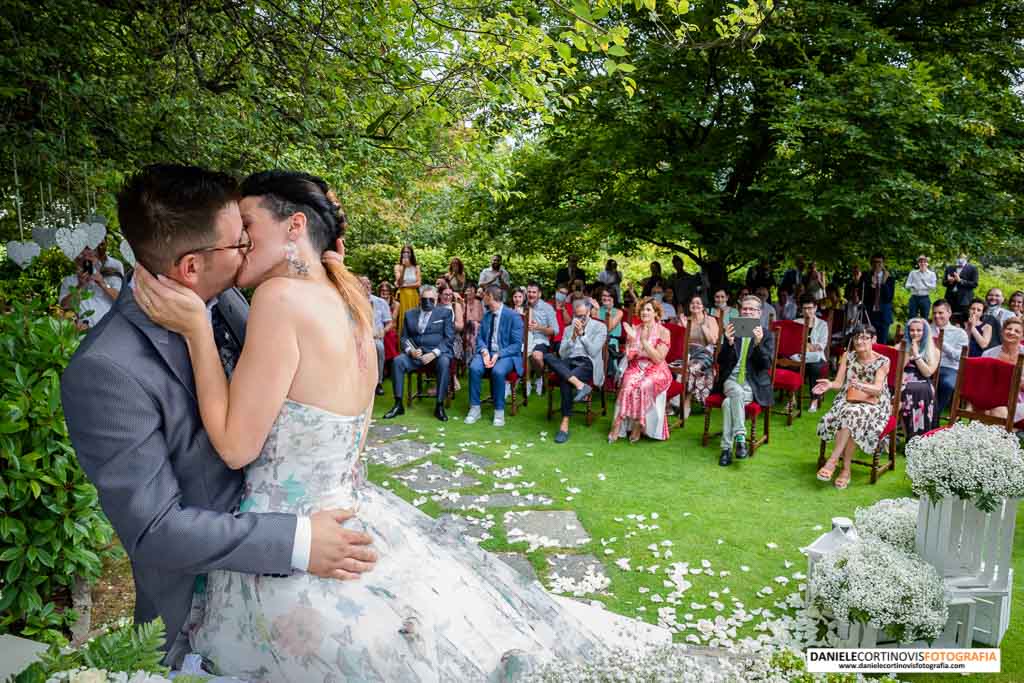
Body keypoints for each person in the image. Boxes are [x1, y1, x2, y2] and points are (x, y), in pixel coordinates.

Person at [129, 169, 609, 679]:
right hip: (354, 513)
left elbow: (234, 447)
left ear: (295, 226)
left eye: (248, 224)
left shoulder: (280, 299)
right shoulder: (350, 300)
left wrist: (198, 331)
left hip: (296, 536)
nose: (241, 241)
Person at [62, 165, 378, 669]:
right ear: (191, 266)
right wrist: (299, 541)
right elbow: (156, 531)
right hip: (207, 609)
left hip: (313, 553)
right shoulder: (107, 370)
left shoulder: (235, 298)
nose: (248, 249)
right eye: (240, 242)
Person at [813, 323, 891, 489]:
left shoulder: (883, 361)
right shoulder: (848, 356)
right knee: (850, 414)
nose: (859, 341)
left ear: (873, 339)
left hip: (874, 403)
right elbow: (839, 383)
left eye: (864, 337)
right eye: (856, 337)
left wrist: (860, 385)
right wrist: (829, 384)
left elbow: (878, 390)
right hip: (848, 399)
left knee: (851, 414)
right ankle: (845, 469)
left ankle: (833, 461)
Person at [712, 295, 775, 466]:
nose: (747, 311)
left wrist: (758, 343)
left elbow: (765, 364)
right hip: (731, 380)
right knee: (735, 391)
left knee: (728, 404)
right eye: (744, 308)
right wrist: (730, 343)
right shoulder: (733, 330)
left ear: (759, 313)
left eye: (751, 309)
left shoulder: (767, 335)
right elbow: (721, 362)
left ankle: (726, 449)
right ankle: (740, 437)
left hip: (751, 384)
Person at [383, 284, 455, 422]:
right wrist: (410, 351)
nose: (428, 302)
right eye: (424, 299)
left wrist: (434, 353)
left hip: (436, 354)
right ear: (419, 299)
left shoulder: (445, 313)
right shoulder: (410, 314)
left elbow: (449, 338)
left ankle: (439, 406)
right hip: (416, 354)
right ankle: (398, 404)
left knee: (445, 362)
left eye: (431, 299)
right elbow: (404, 337)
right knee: (398, 361)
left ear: (436, 298)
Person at [605, 297, 673, 443]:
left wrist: (643, 342)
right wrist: (630, 347)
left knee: (644, 385)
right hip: (637, 366)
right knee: (627, 384)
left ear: (656, 313)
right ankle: (617, 425)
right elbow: (630, 356)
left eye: (648, 309)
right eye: (642, 309)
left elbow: (658, 359)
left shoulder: (664, 332)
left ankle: (638, 424)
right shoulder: (635, 329)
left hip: (657, 369)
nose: (644, 312)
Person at [544, 299, 607, 443]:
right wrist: (572, 337)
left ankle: (564, 424)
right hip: (569, 361)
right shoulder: (568, 328)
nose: (579, 319)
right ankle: (579, 385)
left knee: (565, 380)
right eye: (577, 316)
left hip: (587, 362)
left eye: (583, 316)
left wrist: (583, 335)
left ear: (589, 312)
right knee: (547, 356)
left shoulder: (600, 327)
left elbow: (593, 352)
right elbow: (562, 353)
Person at [465, 285, 524, 427]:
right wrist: (484, 351)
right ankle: (475, 408)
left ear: (490, 297)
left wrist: (498, 354)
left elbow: (516, 345)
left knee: (498, 371)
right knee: (474, 368)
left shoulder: (513, 316)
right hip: (487, 351)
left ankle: (499, 411)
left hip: (507, 354)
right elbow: (479, 338)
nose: (483, 298)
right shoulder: (487, 315)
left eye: (485, 295)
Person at [60, 242, 124, 328]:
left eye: (90, 255)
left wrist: (103, 284)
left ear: (97, 257)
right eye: (82, 256)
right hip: (83, 330)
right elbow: (65, 306)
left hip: (111, 328)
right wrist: (79, 286)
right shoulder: (69, 280)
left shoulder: (112, 274)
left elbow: (123, 300)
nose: (86, 259)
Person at [900, 318, 940, 438]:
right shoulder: (901, 347)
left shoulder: (934, 351)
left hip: (922, 380)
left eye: (919, 330)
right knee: (904, 389)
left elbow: (928, 373)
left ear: (925, 332)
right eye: (912, 330)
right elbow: (897, 368)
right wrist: (908, 351)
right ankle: (910, 435)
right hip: (902, 379)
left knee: (920, 390)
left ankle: (919, 437)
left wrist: (917, 355)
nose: (915, 333)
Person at [683, 294, 720, 421]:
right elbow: (681, 341)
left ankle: (686, 400)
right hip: (688, 352)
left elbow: (713, 341)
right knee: (685, 366)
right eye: (693, 303)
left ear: (703, 306)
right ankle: (681, 400)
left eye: (698, 303)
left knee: (693, 368)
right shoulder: (686, 320)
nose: (695, 305)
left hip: (705, 352)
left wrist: (704, 326)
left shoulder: (710, 320)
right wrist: (684, 327)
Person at [931, 299, 970, 415]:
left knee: (946, 384)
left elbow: (961, 357)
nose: (937, 316)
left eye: (940, 313)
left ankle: (934, 416)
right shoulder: (927, 329)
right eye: (934, 313)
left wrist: (943, 345)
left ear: (949, 313)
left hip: (949, 368)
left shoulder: (959, 333)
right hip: (928, 366)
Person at [982, 317, 1024, 424]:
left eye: (1017, 331)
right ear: (1002, 331)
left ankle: (1001, 436)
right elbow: (982, 381)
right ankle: (1006, 435)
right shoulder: (988, 354)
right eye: (1009, 329)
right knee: (991, 407)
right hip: (993, 397)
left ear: (1022, 336)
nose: (1011, 332)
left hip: (1020, 400)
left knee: (997, 409)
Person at [794, 296, 830, 413]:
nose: (807, 311)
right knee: (790, 364)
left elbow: (821, 346)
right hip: (799, 356)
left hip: (817, 357)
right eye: (804, 308)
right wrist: (808, 346)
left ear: (815, 308)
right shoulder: (796, 322)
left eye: (810, 308)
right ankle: (792, 398)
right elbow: (792, 343)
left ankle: (814, 399)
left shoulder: (822, 324)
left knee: (814, 368)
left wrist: (805, 346)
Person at [361, 275, 393, 396]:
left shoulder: (380, 302)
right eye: (363, 284)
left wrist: (383, 331)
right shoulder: (352, 301)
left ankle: (378, 383)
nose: (367, 286)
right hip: (360, 336)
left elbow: (389, 323)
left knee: (379, 348)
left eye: (368, 283)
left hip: (376, 336)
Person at [525, 281, 558, 396]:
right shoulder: (523, 305)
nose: (531, 294)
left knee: (536, 356)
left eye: (534, 292)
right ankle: (527, 382)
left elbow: (555, 330)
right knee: (524, 353)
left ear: (539, 294)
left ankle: (539, 377)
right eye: (529, 291)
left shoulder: (547, 308)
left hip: (540, 338)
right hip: (524, 338)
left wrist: (539, 327)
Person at [862, 253, 895, 344]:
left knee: (882, 342)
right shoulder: (866, 277)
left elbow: (889, 298)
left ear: (883, 263)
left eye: (879, 262)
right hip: (869, 314)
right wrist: (871, 286)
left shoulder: (890, 279)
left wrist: (883, 283)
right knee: (868, 340)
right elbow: (864, 297)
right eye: (874, 262)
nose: (877, 265)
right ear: (871, 264)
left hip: (883, 315)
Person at [593, 286, 624, 383]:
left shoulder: (619, 312)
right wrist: (597, 311)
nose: (606, 298)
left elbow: (609, 328)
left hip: (611, 341)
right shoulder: (595, 310)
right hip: (597, 340)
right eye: (604, 295)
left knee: (608, 346)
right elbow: (595, 328)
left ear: (613, 298)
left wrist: (609, 311)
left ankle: (610, 371)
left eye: (609, 296)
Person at [943, 252, 979, 323]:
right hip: (950, 298)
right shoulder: (949, 268)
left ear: (966, 258)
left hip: (964, 299)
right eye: (959, 257)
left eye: (963, 257)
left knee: (963, 319)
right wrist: (949, 281)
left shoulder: (973, 268)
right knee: (949, 318)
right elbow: (944, 283)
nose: (960, 259)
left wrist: (960, 281)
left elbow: (974, 284)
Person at [439, 285, 465, 380]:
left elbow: (460, 326)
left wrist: (447, 324)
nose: (448, 297)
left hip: (454, 338)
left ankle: (451, 379)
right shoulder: (436, 307)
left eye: (450, 295)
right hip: (438, 337)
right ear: (440, 295)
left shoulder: (455, 306)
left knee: (448, 348)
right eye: (445, 294)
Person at [393, 244, 421, 336]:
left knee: (414, 318)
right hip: (402, 296)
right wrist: (404, 268)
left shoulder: (416, 267)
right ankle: (401, 343)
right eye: (404, 252)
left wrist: (405, 286)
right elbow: (399, 283)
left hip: (413, 296)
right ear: (401, 254)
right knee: (402, 318)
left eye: (408, 252)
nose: (406, 254)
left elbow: (418, 283)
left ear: (411, 254)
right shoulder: (398, 267)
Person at [904, 255, 937, 320]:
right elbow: (906, 285)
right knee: (911, 317)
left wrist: (925, 283)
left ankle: (924, 330)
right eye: (921, 262)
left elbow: (934, 287)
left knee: (924, 318)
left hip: (925, 297)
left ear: (927, 263)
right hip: (914, 297)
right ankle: (911, 329)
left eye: (924, 262)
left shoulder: (931, 274)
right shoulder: (913, 273)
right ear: (918, 263)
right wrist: (913, 285)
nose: (922, 263)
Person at [463, 282, 484, 364]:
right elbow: (463, 319)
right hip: (465, 328)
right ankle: (472, 358)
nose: (470, 293)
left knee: (475, 328)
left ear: (475, 293)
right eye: (468, 291)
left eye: (472, 291)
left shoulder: (478, 303)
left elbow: (481, 318)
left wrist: (473, 322)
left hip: (475, 329)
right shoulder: (462, 302)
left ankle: (472, 359)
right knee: (471, 332)